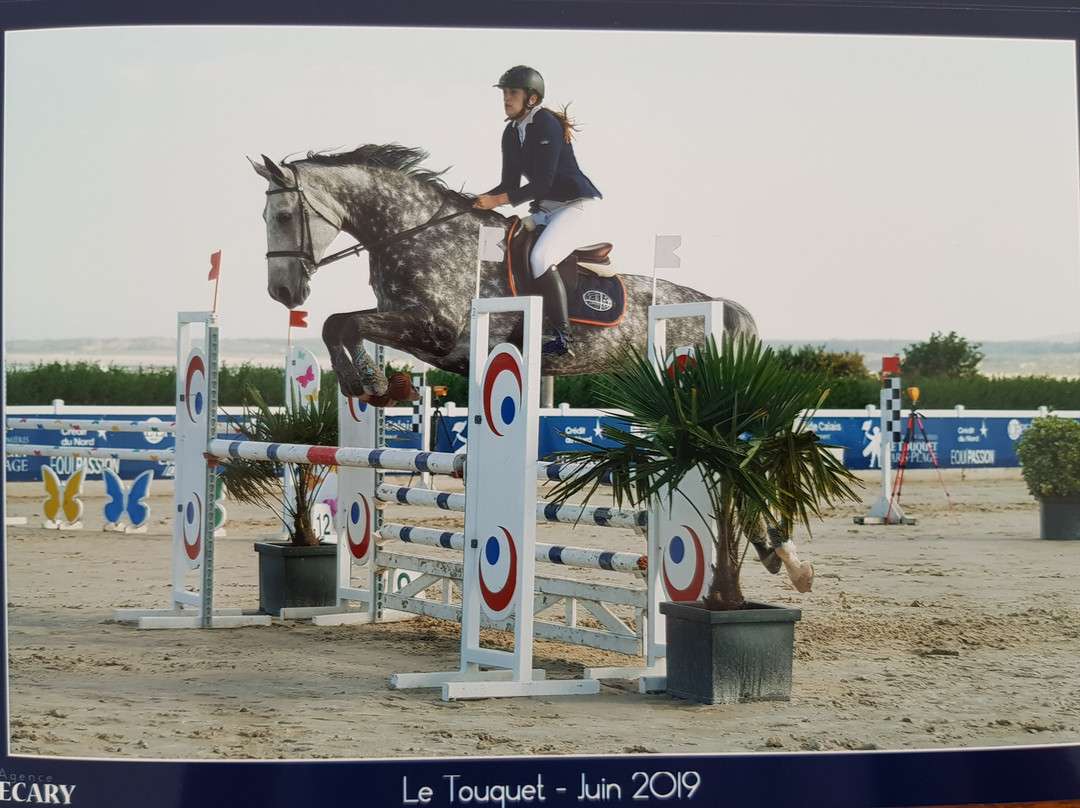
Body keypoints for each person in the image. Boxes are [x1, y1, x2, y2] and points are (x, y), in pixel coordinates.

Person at [473, 65, 602, 357]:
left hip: (576, 207)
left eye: (513, 93)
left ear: (531, 98)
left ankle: (563, 337)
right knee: (509, 244)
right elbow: (509, 184)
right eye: (505, 93)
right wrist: (478, 199)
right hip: (545, 210)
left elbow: (543, 183)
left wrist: (496, 201)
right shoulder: (511, 131)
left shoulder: (545, 123)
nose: (506, 98)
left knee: (541, 257)